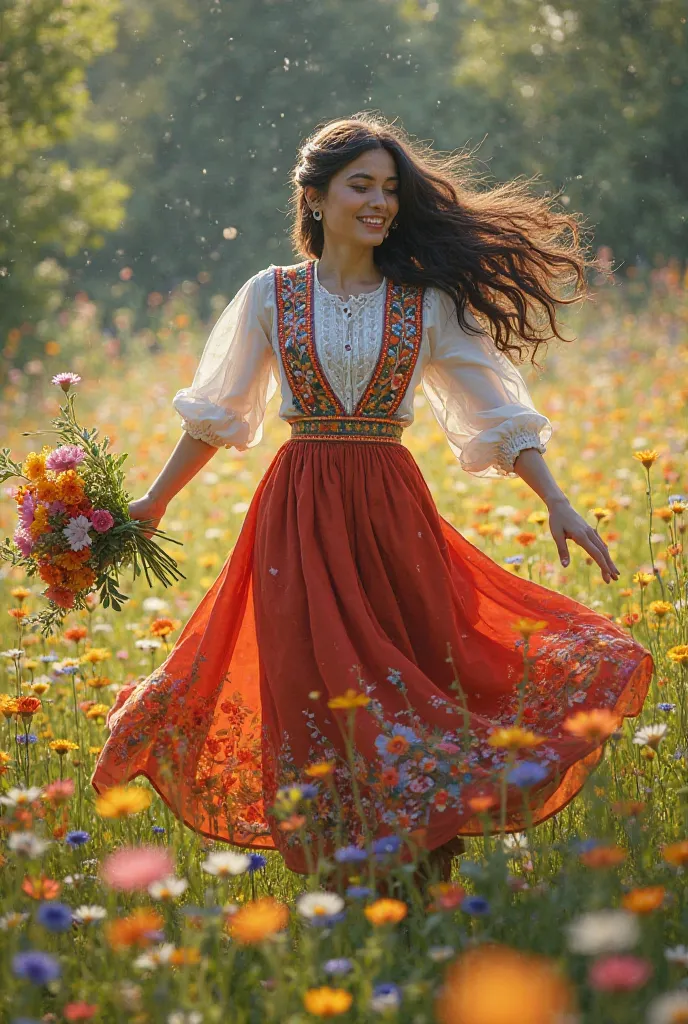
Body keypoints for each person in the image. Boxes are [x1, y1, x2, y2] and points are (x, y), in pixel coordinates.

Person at [91, 113, 654, 881]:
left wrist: (556, 499)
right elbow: (217, 416)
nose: (380, 202)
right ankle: (340, 874)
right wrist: (154, 503)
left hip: (392, 512)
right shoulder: (271, 294)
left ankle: (425, 873)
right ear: (316, 198)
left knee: (410, 673)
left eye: (390, 188)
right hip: (297, 514)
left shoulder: (425, 303)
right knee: (311, 687)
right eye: (361, 185)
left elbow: (496, 413)